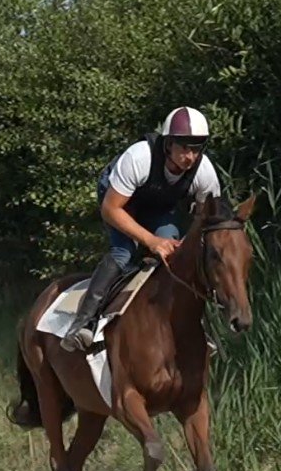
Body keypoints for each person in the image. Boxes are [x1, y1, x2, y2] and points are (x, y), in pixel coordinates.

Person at [59, 106, 222, 352]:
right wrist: (150, 240)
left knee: (173, 256)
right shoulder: (139, 158)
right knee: (124, 252)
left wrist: (188, 246)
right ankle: (83, 323)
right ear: (168, 144)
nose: (190, 157)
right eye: (184, 148)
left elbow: (206, 220)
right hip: (120, 202)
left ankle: (196, 326)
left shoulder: (205, 172)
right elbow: (111, 210)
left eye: (196, 149)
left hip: (157, 204)